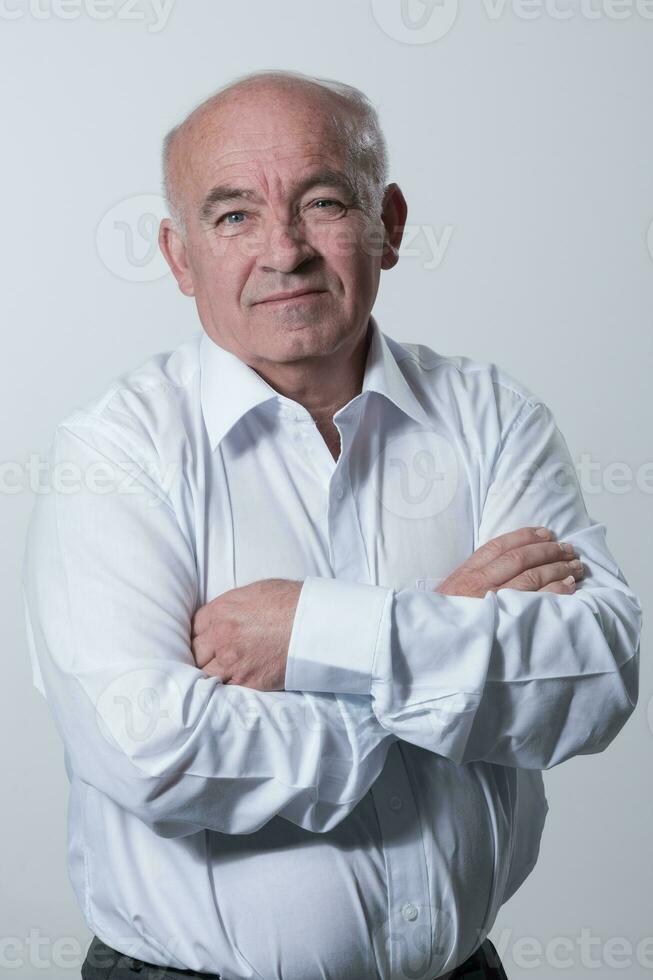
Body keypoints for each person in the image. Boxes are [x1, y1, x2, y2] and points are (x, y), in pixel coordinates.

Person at [22, 69, 641, 980]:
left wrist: (312, 632)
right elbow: (154, 753)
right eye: (232, 216)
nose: (284, 251)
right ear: (179, 254)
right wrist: (437, 634)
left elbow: (594, 675)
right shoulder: (114, 453)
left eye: (321, 203)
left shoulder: (490, 416)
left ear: (387, 223)